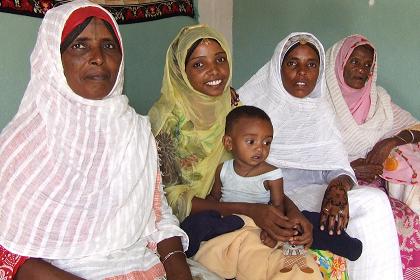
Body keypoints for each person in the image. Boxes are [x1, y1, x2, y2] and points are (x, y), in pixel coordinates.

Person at [0, 1, 193, 279]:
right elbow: (9, 252)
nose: (98, 58)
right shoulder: (20, 147)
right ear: (53, 58)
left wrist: (180, 272)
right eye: (79, 45)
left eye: (108, 45)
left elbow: (158, 216)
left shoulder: (136, 132)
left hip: (141, 267)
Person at [239, 32, 403, 280]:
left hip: (314, 194)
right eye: (293, 63)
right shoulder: (251, 106)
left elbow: (336, 164)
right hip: (272, 198)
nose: (302, 72)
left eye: (311, 65)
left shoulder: (321, 110)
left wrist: (338, 187)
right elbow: (239, 168)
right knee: (368, 205)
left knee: (375, 201)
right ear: (278, 66)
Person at [148, 25, 314, 258]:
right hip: (192, 223)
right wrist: (251, 211)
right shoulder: (166, 123)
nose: (215, 71)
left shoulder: (232, 107)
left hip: (236, 207)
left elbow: (251, 168)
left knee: (301, 232)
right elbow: (170, 201)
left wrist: (292, 211)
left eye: (220, 59)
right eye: (198, 64)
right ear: (180, 71)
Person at [325, 34, 420, 279]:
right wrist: (346, 168)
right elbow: (306, 156)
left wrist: (393, 140)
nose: (362, 70)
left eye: (367, 65)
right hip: (333, 184)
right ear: (339, 62)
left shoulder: (378, 101)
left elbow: (416, 127)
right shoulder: (318, 101)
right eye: (354, 62)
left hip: (373, 183)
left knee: (408, 219)